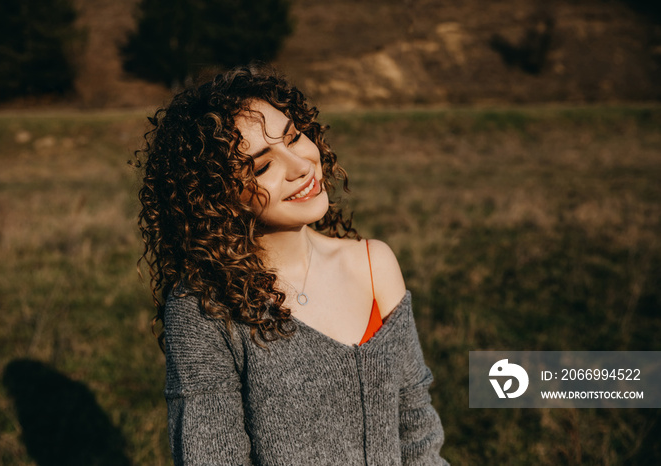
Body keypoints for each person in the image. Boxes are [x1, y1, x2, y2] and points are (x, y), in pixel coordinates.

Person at [137, 65, 448, 465]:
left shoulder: (374, 265)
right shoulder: (204, 309)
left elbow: (417, 431)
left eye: (293, 137)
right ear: (216, 197)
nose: (301, 165)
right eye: (263, 166)